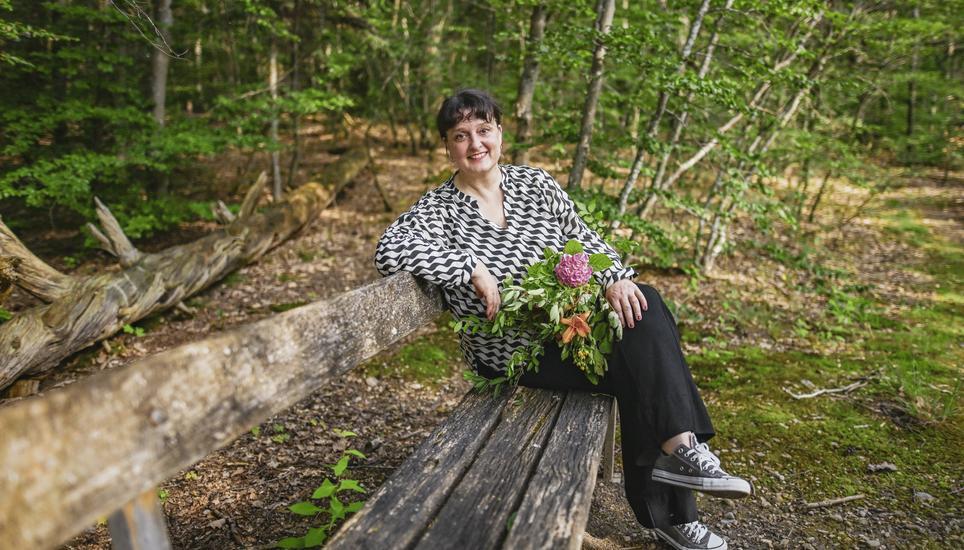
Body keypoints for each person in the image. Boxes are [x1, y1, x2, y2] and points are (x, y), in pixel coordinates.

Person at [374, 88, 751, 550]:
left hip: (571, 334)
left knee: (642, 306)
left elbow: (583, 238)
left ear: (500, 134)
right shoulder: (439, 210)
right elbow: (388, 249)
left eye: (484, 130)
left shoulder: (535, 185)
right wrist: (469, 267)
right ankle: (677, 491)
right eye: (460, 135)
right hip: (513, 357)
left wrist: (614, 277)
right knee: (638, 364)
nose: (475, 144)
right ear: (447, 146)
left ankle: (680, 456)